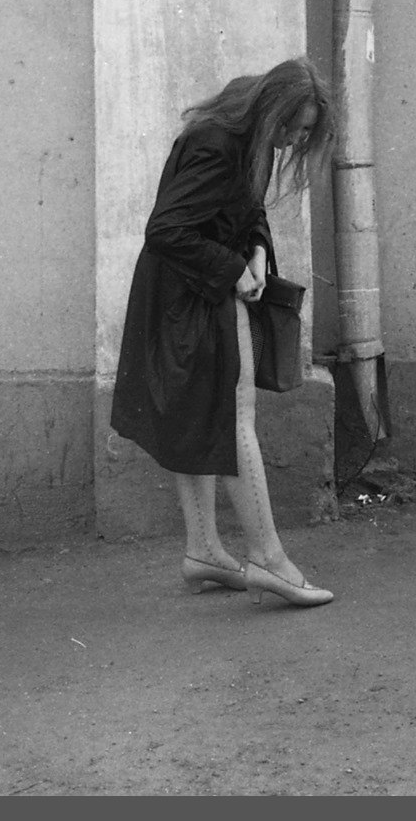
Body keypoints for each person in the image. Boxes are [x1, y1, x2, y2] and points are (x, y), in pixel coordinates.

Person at [110, 57, 338, 608]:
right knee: (233, 418)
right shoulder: (219, 142)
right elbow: (165, 228)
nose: (295, 140)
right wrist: (232, 267)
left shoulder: (243, 129)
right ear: (272, 111)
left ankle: (205, 550)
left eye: (305, 131)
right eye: (295, 127)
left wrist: (257, 248)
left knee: (198, 416)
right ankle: (268, 559)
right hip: (192, 295)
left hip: (188, 292)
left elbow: (245, 206)